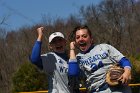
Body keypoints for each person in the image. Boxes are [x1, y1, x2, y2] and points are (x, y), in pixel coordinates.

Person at [68, 25, 132, 93]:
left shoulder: (104, 47)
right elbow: (72, 74)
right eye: (78, 37)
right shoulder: (77, 59)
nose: (81, 39)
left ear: (91, 38)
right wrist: (72, 49)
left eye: (84, 36)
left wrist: (127, 71)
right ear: (75, 41)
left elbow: (124, 60)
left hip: (118, 88)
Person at [30, 27, 71, 93]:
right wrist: (40, 36)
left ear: (65, 42)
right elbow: (34, 59)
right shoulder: (51, 58)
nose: (58, 43)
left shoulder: (72, 57)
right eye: (54, 42)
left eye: (60, 40)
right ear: (50, 46)